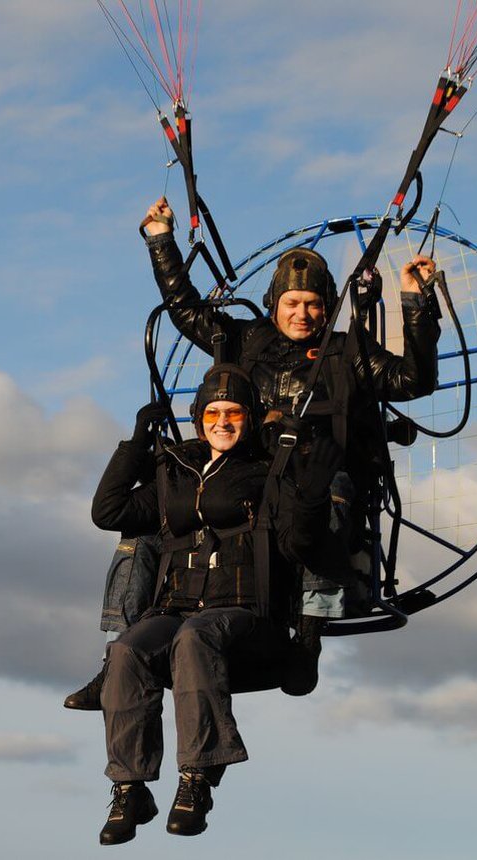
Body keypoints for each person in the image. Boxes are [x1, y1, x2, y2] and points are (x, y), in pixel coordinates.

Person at [141, 195, 442, 693]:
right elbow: (184, 309)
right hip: (253, 481)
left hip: (321, 480)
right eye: (293, 304)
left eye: (314, 305)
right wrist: (160, 241)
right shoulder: (242, 342)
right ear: (274, 304)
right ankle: (126, 646)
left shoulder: (348, 353)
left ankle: (307, 638)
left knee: (327, 496)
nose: (303, 314)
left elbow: (414, 379)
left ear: (327, 307)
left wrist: (415, 303)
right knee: (156, 513)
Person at [90, 364, 341, 844]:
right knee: (126, 651)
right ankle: (130, 786)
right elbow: (109, 512)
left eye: (233, 413)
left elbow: (300, 545)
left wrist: (309, 496)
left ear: (248, 417)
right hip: (176, 607)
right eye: (212, 413)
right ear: (199, 417)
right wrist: (136, 445)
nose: (222, 422)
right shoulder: (176, 471)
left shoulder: (270, 471)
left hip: (246, 615)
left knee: (195, 636)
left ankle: (198, 778)